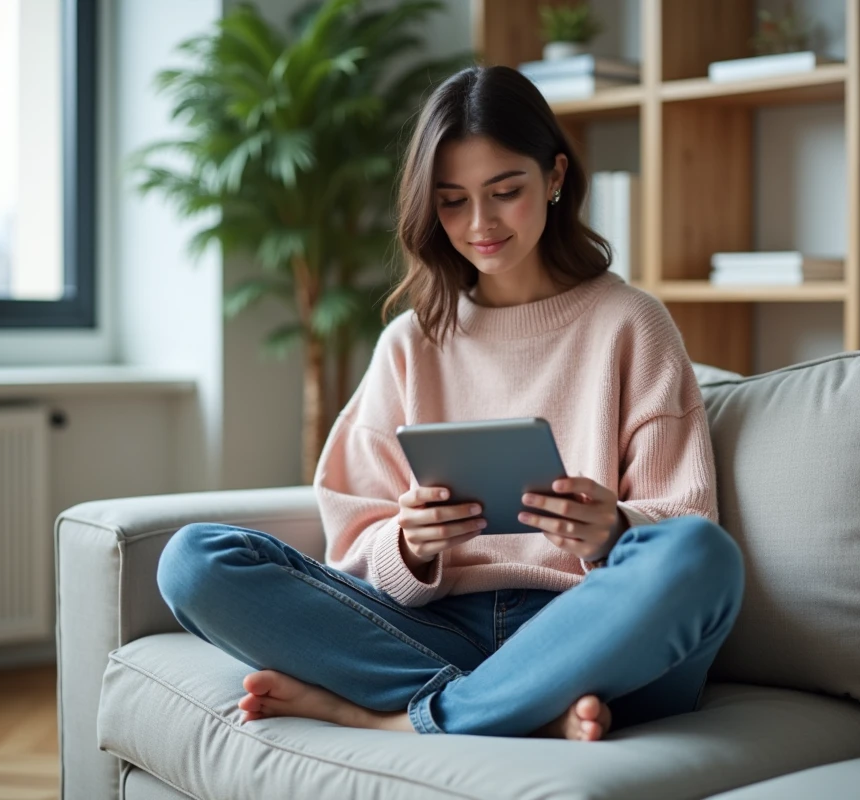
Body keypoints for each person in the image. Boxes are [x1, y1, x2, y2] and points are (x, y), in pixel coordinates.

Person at [157, 65, 744, 742]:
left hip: (588, 629)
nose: (480, 224)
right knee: (194, 561)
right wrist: (408, 544)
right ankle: (521, 710)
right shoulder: (411, 341)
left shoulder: (631, 323)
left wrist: (612, 530)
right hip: (440, 629)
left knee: (703, 555)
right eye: (453, 201)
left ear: (555, 177)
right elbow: (351, 540)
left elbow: (684, 519)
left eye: (505, 192)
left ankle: (399, 719)